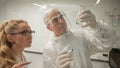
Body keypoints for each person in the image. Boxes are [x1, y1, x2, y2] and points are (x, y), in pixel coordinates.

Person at [42, 8, 113, 68]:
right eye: (55, 20)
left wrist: (96, 26)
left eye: (61, 17)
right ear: (49, 27)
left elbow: (105, 45)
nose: (61, 21)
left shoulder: (80, 36)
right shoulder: (48, 49)